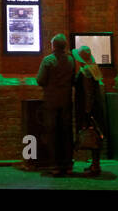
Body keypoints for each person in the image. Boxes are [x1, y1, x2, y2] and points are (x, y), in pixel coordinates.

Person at [36, 32, 77, 176]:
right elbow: (73, 80)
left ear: (53, 45)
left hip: (51, 101)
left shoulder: (48, 60)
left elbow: (40, 80)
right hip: (66, 101)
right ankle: (68, 164)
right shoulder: (71, 60)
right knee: (66, 133)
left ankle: (55, 165)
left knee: (52, 133)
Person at [73, 45, 110, 176]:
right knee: (96, 135)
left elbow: (88, 94)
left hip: (90, 109)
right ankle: (95, 163)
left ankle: (95, 166)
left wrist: (87, 113)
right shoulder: (94, 69)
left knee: (92, 134)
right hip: (97, 109)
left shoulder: (86, 72)